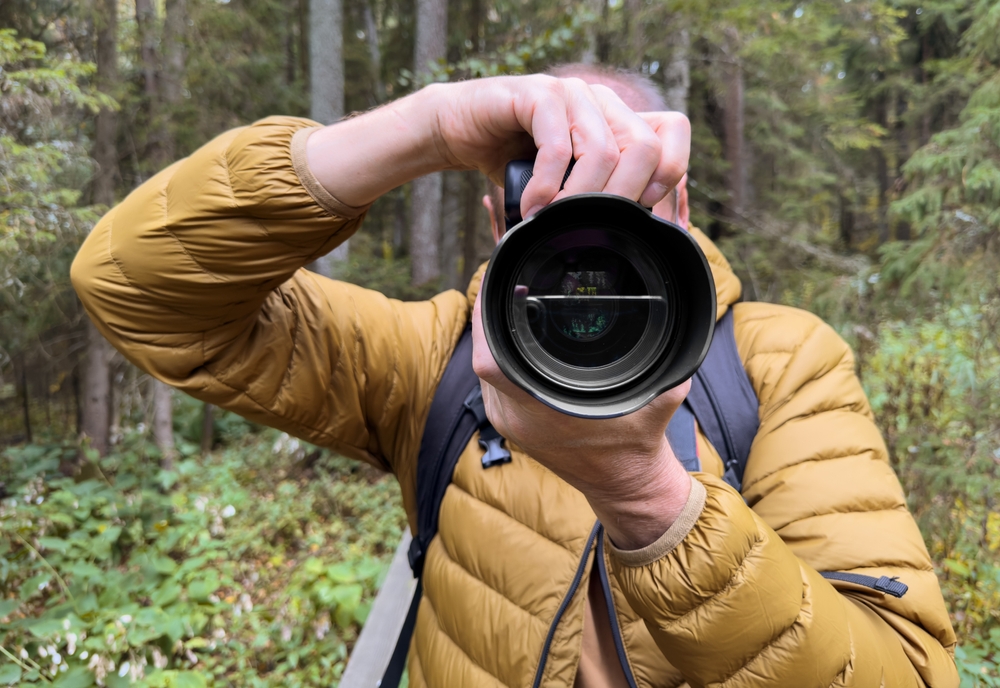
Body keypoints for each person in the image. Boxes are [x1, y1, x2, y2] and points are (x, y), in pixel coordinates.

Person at [71, 64, 958, 687]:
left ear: (678, 202)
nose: (589, 238)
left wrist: (648, 496)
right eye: (554, 180)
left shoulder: (774, 361)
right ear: (502, 212)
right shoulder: (435, 356)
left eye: (627, 181)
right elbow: (134, 288)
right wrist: (423, 127)